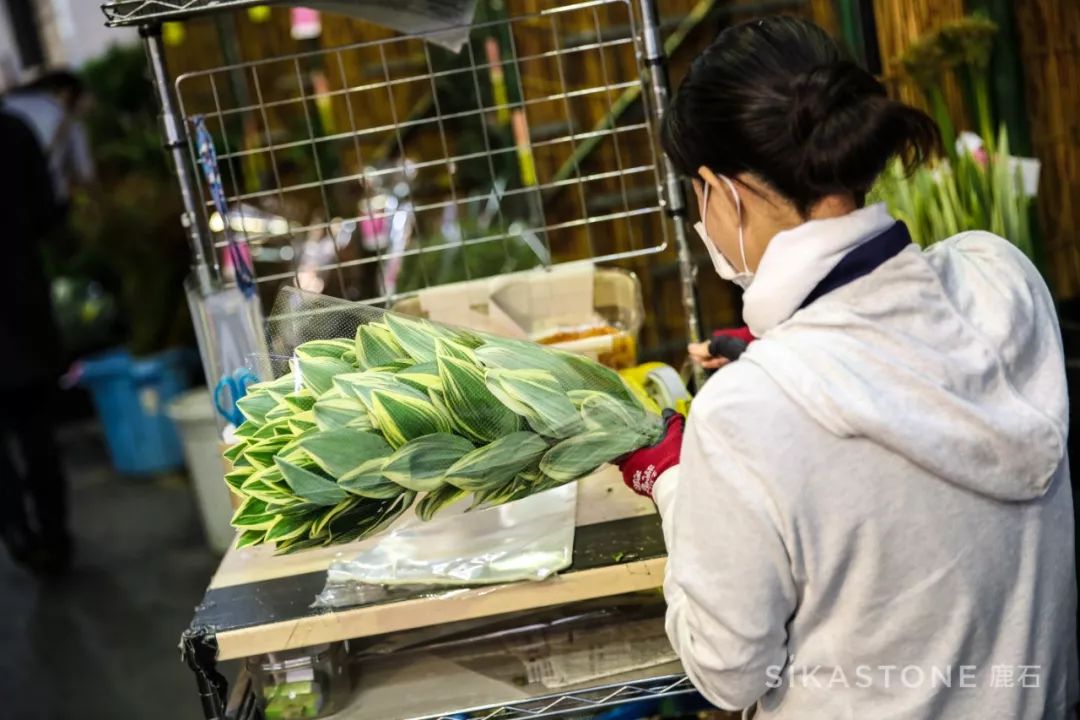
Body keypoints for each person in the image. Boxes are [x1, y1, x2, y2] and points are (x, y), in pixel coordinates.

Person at [617, 16, 1077, 718]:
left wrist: (676, 481)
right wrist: (779, 346)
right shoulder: (1002, 279)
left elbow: (727, 673)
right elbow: (899, 356)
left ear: (723, 192)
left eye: (696, 196)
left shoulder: (743, 413)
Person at [0, 103, 72, 573]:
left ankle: (16, 529)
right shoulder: (13, 131)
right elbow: (48, 214)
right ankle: (54, 534)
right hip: (20, 305)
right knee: (37, 432)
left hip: (20, 309)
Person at [1, 70, 95, 214]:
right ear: (67, 93)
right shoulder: (67, 120)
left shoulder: (9, 103)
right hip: (38, 205)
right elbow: (84, 173)